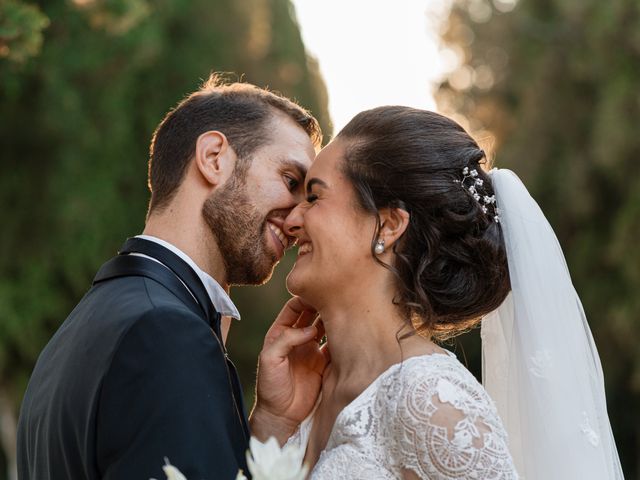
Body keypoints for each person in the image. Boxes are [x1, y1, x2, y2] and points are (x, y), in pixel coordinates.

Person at [255, 106, 624, 479]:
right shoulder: (308, 390)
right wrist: (275, 419)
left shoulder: (433, 402)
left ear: (387, 224)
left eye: (315, 198)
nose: (291, 220)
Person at [16, 75, 327, 480]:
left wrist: (272, 422)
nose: (298, 219)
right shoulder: (166, 333)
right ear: (214, 157)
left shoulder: (82, 327)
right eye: (291, 182)